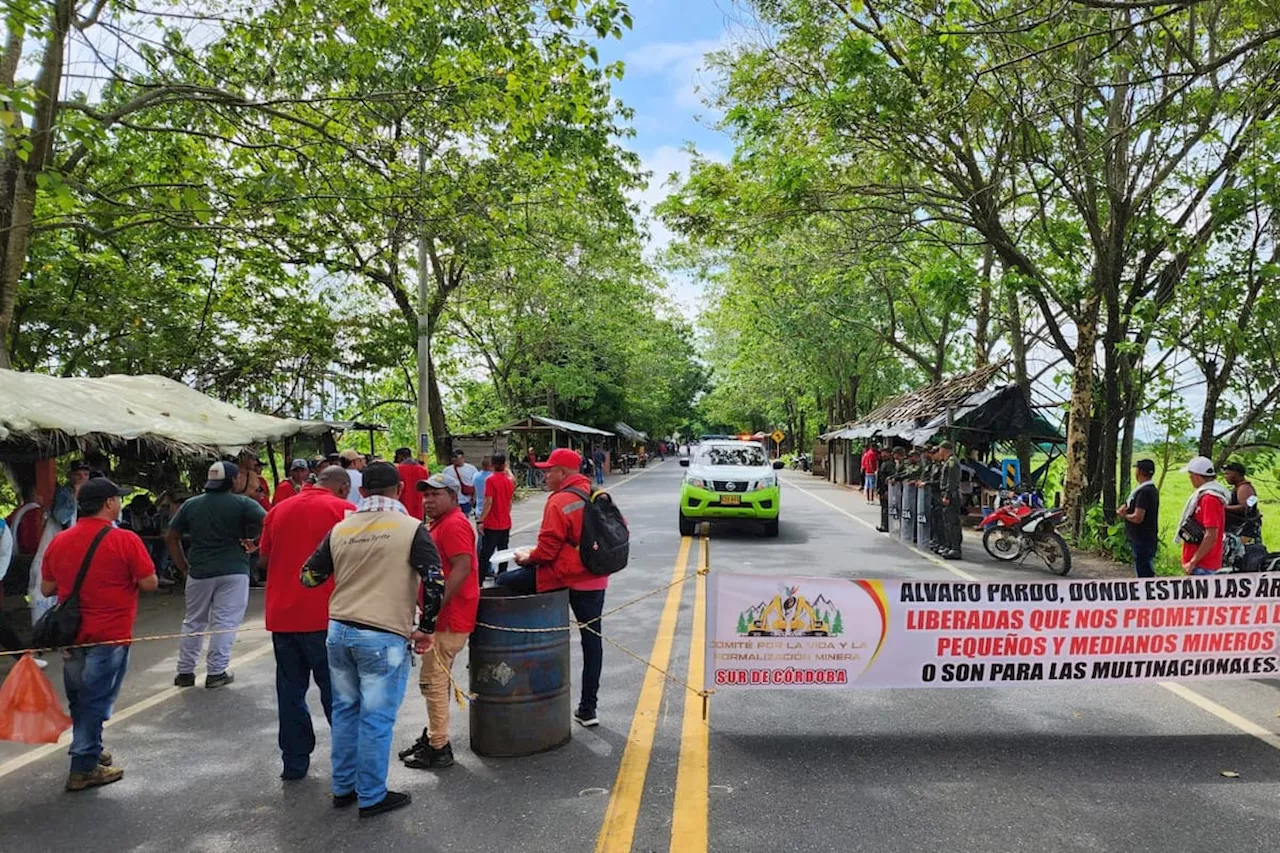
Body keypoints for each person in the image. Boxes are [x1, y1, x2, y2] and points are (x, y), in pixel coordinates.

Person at [300, 462, 443, 818]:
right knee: (377, 718)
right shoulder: (411, 529)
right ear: (399, 490)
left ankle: (343, 788)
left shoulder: (340, 529)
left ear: (361, 492)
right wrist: (426, 627)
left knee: (345, 710)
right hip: (381, 636)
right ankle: (372, 795)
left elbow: (309, 577)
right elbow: (435, 582)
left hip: (338, 632)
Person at [40, 478, 158, 791]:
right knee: (96, 700)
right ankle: (83, 766)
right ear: (108, 503)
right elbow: (149, 583)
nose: (119, 503)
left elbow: (47, 588)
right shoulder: (125, 540)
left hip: (72, 634)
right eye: (117, 499)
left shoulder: (60, 541)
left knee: (81, 698)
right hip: (110, 634)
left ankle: (90, 746)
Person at [494, 448, 607, 727]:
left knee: (504, 582)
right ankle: (588, 708)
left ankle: (535, 695)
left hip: (561, 576)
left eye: (549, 470)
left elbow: (546, 552)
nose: (544, 475)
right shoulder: (599, 494)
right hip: (595, 579)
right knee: (592, 641)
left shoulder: (560, 501)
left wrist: (525, 557)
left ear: (564, 473)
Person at [258, 467, 355, 781]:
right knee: (337, 693)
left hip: (283, 618)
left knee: (290, 691)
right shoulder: (344, 511)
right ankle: (347, 766)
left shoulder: (278, 510)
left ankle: (294, 763)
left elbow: (263, 560)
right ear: (342, 487)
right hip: (327, 616)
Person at [401, 473, 479, 771]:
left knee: (432, 681)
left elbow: (462, 567)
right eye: (425, 495)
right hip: (444, 615)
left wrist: (432, 613)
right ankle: (434, 736)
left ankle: (439, 746)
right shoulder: (441, 523)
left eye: (436, 495)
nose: (428, 500)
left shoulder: (454, 524)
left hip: (449, 617)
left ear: (453, 496)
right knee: (435, 680)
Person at [167, 461, 267, 689]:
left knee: (193, 621)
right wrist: (256, 544)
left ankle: (184, 672)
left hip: (199, 571)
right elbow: (271, 521)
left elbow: (171, 536)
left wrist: (183, 566)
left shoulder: (191, 505)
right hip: (234, 570)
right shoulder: (243, 503)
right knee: (225, 621)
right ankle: (216, 672)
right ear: (233, 481)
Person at [1177, 456, 1229, 576]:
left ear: (1196, 476)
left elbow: (1211, 535)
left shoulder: (1209, 499)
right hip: (1201, 564)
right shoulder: (1205, 497)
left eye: (1190, 476)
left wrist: (1193, 562)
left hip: (1203, 565)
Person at [1117, 459, 1160, 578]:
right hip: (1147, 537)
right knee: (1144, 568)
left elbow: (1137, 517)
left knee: (1144, 572)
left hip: (1142, 538)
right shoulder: (1151, 489)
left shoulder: (1144, 492)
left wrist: (1124, 515)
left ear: (1139, 472)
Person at [477, 454, 516, 582]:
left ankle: (479, 581)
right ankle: (502, 578)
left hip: (492, 523)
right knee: (503, 553)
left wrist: (481, 519)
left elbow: (489, 501)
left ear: (492, 465)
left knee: (485, 554)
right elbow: (510, 502)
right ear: (504, 465)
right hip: (505, 522)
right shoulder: (509, 481)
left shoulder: (490, 480)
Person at [1222, 462, 1262, 542]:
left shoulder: (1244, 488)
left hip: (1244, 532)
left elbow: (1245, 507)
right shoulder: (1241, 487)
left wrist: (1224, 507)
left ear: (1237, 474)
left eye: (1228, 474)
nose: (1225, 477)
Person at [938, 441, 963, 559]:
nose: (939, 452)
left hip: (952, 496)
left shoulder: (952, 461)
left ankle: (955, 549)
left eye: (940, 450)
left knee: (952, 523)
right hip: (949, 494)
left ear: (944, 449)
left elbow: (952, 481)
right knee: (947, 522)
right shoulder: (948, 461)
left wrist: (947, 496)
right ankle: (949, 546)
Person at [395, 447, 431, 521]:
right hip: (420, 506)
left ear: (400, 457)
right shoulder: (423, 470)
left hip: (403, 507)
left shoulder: (397, 470)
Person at [443, 449, 478, 516]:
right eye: (454, 458)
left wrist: (474, 497)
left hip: (466, 500)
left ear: (463, 458)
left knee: (465, 517)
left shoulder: (471, 469)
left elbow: (475, 484)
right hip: (452, 500)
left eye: (457, 458)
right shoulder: (447, 470)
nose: (455, 460)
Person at [875, 447, 896, 533]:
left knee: (886, 508)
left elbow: (890, 477)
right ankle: (884, 525)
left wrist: (887, 490)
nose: (883, 455)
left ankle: (886, 526)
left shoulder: (890, 464)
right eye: (882, 453)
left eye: (885, 453)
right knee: (884, 508)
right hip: (882, 489)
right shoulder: (883, 463)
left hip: (886, 490)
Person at [472, 455, 494, 523]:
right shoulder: (492, 477)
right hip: (491, 511)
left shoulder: (475, 476)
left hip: (479, 509)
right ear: (491, 465)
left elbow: (474, 490)